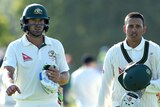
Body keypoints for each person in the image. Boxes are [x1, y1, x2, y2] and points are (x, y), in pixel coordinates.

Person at [0, 3, 69, 107]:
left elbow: (66, 76)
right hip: (25, 103)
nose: (38, 24)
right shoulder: (15, 46)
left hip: (52, 103)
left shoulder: (56, 45)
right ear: (25, 22)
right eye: (33, 20)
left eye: (41, 20)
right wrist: (10, 84)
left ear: (45, 23)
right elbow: (7, 71)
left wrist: (59, 77)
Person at [97, 12, 160, 107]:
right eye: (130, 26)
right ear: (124, 29)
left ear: (144, 29)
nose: (134, 30)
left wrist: (143, 84)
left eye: (138, 26)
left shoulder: (155, 50)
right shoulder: (113, 52)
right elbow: (105, 85)